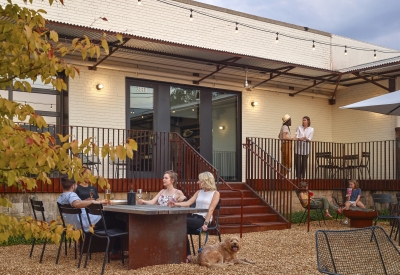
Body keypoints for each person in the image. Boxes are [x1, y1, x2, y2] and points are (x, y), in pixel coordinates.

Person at [57, 177, 125, 260]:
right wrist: (92, 201)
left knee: (110, 216)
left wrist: (85, 200)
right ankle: (115, 252)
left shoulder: (61, 197)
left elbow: (75, 203)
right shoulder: (71, 195)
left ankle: (112, 249)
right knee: (121, 222)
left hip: (76, 225)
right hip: (89, 224)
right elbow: (76, 204)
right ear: (73, 186)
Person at [170, 171, 220, 263]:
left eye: (199, 180)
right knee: (181, 228)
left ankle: (187, 255)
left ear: (205, 181)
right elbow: (188, 202)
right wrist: (175, 204)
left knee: (180, 223)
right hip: (194, 217)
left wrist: (206, 223)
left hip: (202, 219)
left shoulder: (215, 193)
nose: (197, 182)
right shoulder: (198, 192)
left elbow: (211, 209)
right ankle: (187, 255)